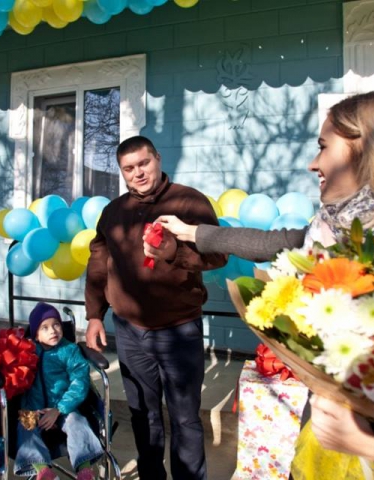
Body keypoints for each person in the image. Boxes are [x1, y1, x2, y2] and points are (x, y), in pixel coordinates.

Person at [155, 91, 374, 479]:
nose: (312, 163)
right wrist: (191, 232)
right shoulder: (334, 233)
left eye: (323, 147)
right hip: (320, 440)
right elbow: (272, 243)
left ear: (369, 149)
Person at [84, 135, 227, 480]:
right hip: (129, 332)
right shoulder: (113, 212)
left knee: (185, 418)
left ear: (158, 159)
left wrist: (175, 253)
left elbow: (217, 254)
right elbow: (99, 265)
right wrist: (93, 315)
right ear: (122, 172)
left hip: (178, 330)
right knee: (142, 415)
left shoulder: (189, 202)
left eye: (144, 163)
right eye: (129, 168)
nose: (138, 173)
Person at [14, 302, 103, 480]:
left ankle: (84, 470)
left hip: (64, 407)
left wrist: (59, 409)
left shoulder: (69, 351)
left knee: (78, 423)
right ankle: (43, 471)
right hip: (34, 408)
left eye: (56, 324)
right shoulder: (28, 350)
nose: (53, 330)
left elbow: (80, 382)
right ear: (36, 335)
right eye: (45, 328)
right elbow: (1, 354)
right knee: (25, 426)